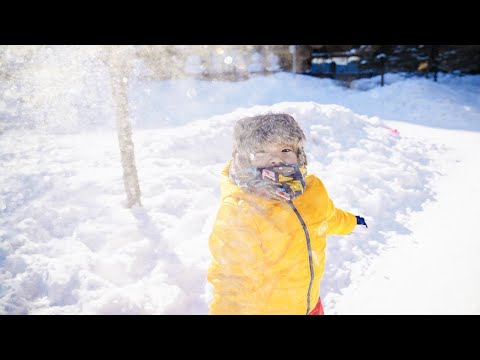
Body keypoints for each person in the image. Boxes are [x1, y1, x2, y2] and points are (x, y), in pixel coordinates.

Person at [207, 113, 368, 315]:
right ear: (246, 159)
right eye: (262, 151)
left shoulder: (312, 190)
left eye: (285, 149)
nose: (276, 159)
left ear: (298, 155)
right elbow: (232, 282)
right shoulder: (241, 212)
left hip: (311, 306)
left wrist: (353, 222)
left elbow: (329, 218)